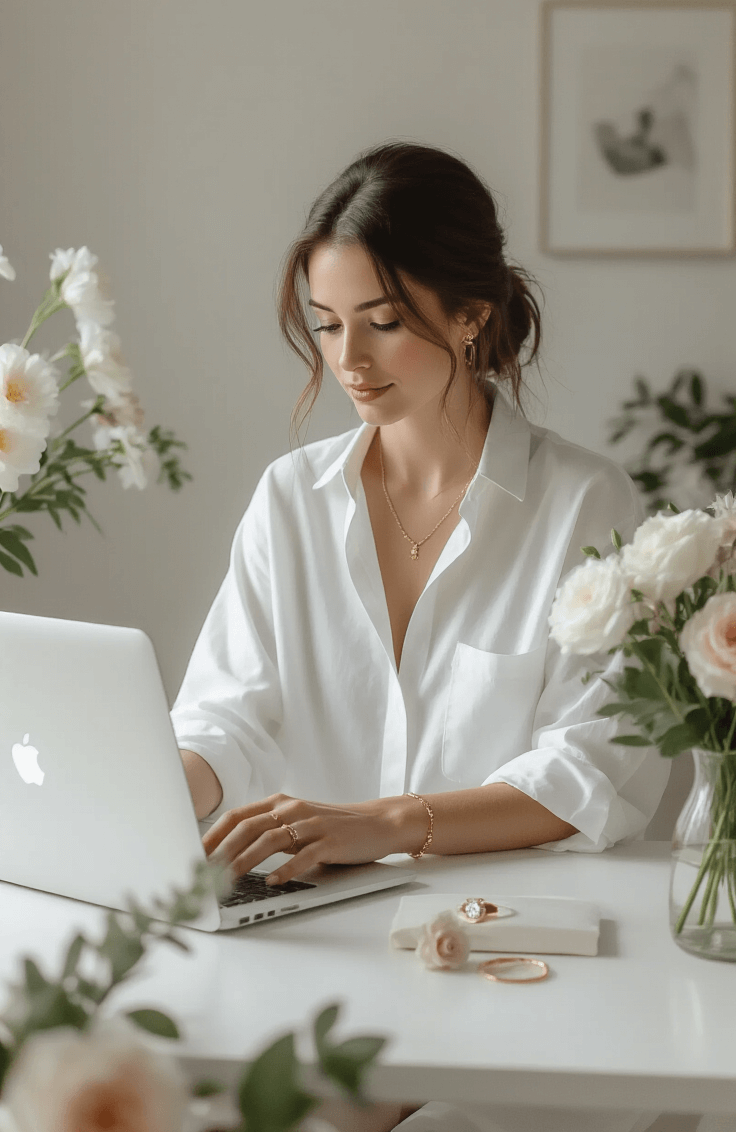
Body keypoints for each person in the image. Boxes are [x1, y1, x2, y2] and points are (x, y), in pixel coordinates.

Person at [171, 142, 671, 1132]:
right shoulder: (291, 504)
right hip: (322, 947)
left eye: (383, 324)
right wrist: (152, 790)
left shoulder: (582, 503)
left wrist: (387, 824)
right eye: (325, 326)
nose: (348, 360)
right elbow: (226, 711)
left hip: (515, 962)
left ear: (471, 316)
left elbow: (592, 771)